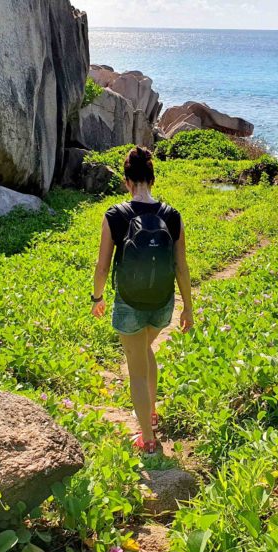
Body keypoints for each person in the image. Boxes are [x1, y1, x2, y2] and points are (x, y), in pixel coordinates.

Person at [91, 147, 194, 454]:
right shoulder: (172, 215)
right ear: (152, 178)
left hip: (129, 304)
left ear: (127, 181)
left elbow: (102, 266)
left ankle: (147, 438)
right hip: (162, 304)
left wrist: (97, 297)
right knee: (145, 349)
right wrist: (188, 306)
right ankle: (150, 411)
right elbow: (181, 266)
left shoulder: (115, 215)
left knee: (135, 368)